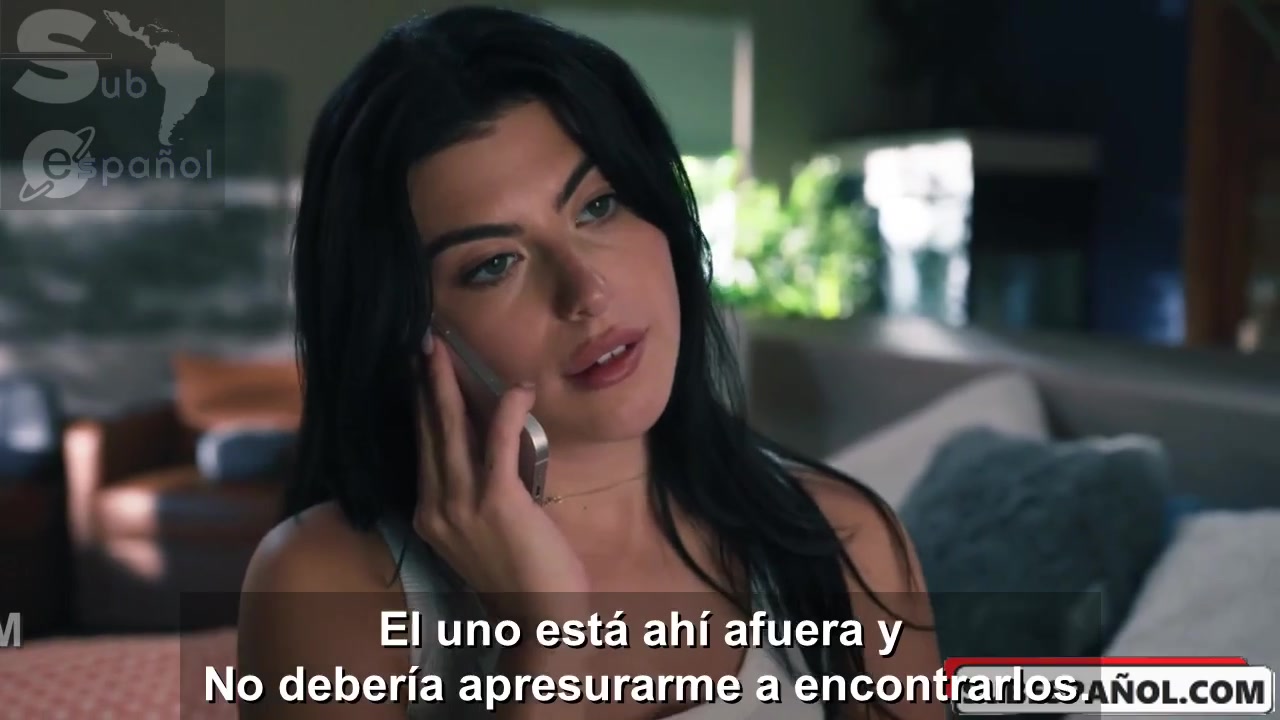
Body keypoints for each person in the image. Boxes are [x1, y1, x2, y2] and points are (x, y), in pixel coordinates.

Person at [238, 6, 943, 719]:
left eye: (599, 206)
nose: (588, 291)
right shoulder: (324, 586)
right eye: (495, 264)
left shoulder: (846, 543)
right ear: (401, 328)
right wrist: (547, 641)